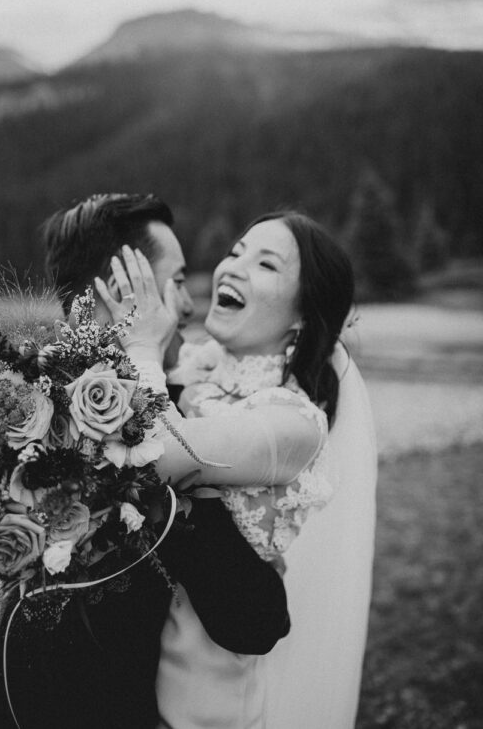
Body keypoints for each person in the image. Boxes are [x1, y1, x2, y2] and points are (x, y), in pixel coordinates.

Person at [0, 194, 290, 729]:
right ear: (119, 290)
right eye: (174, 282)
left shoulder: (47, 405)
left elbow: (254, 618)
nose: (187, 306)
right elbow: (258, 620)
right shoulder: (31, 414)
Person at [98, 209, 377, 729]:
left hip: (208, 705)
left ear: (301, 314)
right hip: (131, 685)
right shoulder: (189, 376)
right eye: (235, 251)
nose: (232, 268)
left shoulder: (293, 423)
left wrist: (141, 345)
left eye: (266, 264)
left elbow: (156, 454)